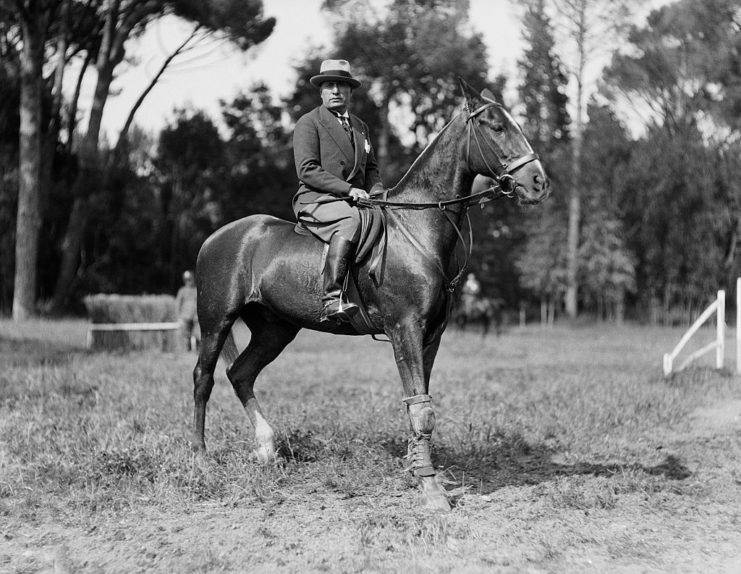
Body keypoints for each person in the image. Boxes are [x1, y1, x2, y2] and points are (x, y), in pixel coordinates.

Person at [292, 58, 385, 323]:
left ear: (350, 91)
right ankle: (332, 298)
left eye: (341, 85)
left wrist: (378, 194)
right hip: (316, 199)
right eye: (329, 85)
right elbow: (307, 169)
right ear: (321, 91)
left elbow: (371, 170)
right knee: (350, 220)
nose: (335, 91)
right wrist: (349, 190)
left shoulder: (360, 127)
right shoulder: (309, 123)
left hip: (354, 199)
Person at [176, 270, 199, 351]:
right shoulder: (182, 291)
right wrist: (179, 317)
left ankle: (197, 351)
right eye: (187, 279)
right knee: (185, 336)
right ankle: (186, 351)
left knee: (197, 335)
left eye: (190, 279)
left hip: (196, 317)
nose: (188, 281)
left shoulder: (196, 290)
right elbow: (178, 304)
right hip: (185, 317)